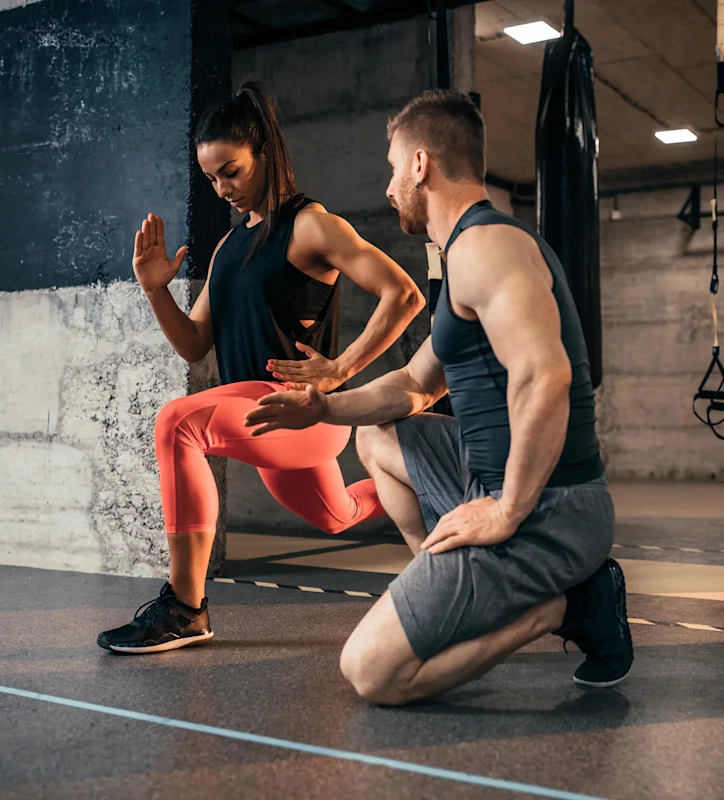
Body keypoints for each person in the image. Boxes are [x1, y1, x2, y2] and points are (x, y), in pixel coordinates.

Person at [244, 89, 632, 703]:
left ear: (421, 164)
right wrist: (323, 405)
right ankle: (445, 588)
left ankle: (563, 608)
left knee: (371, 674)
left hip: (548, 508)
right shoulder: (468, 254)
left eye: (394, 166)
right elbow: (415, 386)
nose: (389, 185)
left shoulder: (487, 247)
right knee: (376, 435)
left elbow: (546, 376)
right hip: (491, 475)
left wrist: (505, 509)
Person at [97, 82, 424, 654]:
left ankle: (185, 607)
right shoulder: (227, 248)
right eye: (212, 179)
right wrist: (156, 293)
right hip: (257, 410)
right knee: (337, 515)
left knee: (177, 422)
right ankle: (432, 486)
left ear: (265, 155)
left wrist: (338, 371)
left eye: (233, 171)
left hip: (302, 411)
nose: (223, 188)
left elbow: (404, 295)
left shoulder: (311, 226)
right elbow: (194, 344)